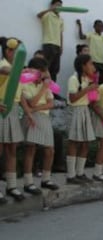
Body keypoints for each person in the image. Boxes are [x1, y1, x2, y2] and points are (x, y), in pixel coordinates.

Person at [21, 57, 59, 194]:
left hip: (43, 116)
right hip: (32, 118)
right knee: (30, 149)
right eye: (41, 72)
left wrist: (35, 108)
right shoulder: (25, 84)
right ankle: (28, 182)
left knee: (50, 150)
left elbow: (51, 103)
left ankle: (46, 179)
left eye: (44, 72)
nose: (43, 75)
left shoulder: (45, 84)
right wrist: (43, 89)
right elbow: (31, 102)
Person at [0, 37, 25, 202]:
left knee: (12, 149)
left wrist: (28, 112)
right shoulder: (3, 66)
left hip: (14, 110)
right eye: (17, 54)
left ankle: (12, 186)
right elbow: (9, 73)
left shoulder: (18, 69)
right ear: (9, 52)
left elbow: (20, 93)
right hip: (2, 109)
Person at [66, 54, 97, 184]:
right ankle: (71, 175)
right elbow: (73, 98)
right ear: (83, 65)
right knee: (74, 142)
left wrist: (94, 91)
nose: (93, 67)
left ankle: (80, 172)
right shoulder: (74, 79)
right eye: (90, 64)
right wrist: (87, 89)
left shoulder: (88, 79)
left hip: (85, 110)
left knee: (85, 142)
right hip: (76, 110)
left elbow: (91, 99)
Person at [76, 19, 103, 84]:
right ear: (94, 27)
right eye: (99, 26)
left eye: (102, 26)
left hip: (101, 61)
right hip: (93, 61)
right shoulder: (91, 34)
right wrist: (80, 25)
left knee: (101, 80)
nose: (100, 28)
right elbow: (82, 37)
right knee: (92, 79)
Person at [37, 0, 64, 82]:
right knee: (46, 67)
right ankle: (43, 88)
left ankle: (52, 91)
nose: (59, 7)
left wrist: (61, 46)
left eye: (60, 5)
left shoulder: (61, 19)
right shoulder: (48, 15)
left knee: (55, 69)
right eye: (57, 5)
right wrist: (50, 9)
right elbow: (38, 15)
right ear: (52, 5)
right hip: (48, 44)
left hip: (57, 46)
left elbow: (61, 33)